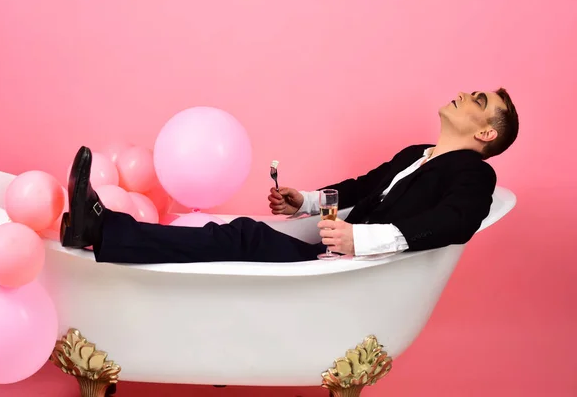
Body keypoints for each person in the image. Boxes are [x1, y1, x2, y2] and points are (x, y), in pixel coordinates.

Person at [60, 88, 519, 264]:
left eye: (479, 101)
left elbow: (457, 223)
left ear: (485, 133)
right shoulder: (417, 153)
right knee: (239, 234)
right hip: (330, 254)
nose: (466, 95)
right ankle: (102, 230)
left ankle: (102, 230)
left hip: (350, 272)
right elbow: (362, 187)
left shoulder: (475, 174)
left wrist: (362, 240)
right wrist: (307, 201)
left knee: (242, 235)